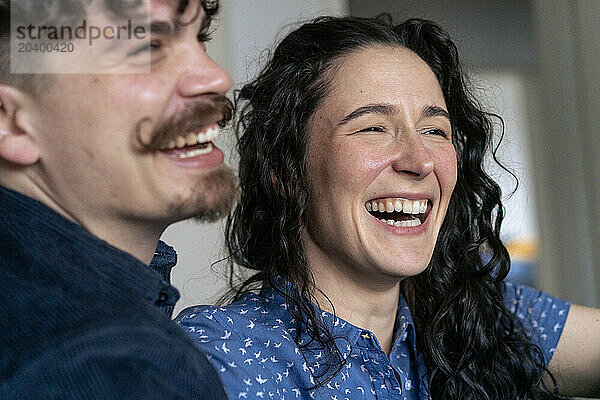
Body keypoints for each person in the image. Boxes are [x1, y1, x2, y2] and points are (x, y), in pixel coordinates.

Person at [176, 15, 600, 400]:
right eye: (373, 127)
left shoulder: (477, 317)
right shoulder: (220, 356)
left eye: (435, 130)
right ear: (286, 172)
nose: (420, 161)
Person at [0, 0, 235, 398]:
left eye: (201, 37)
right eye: (147, 47)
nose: (216, 78)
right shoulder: (112, 364)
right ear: (11, 122)